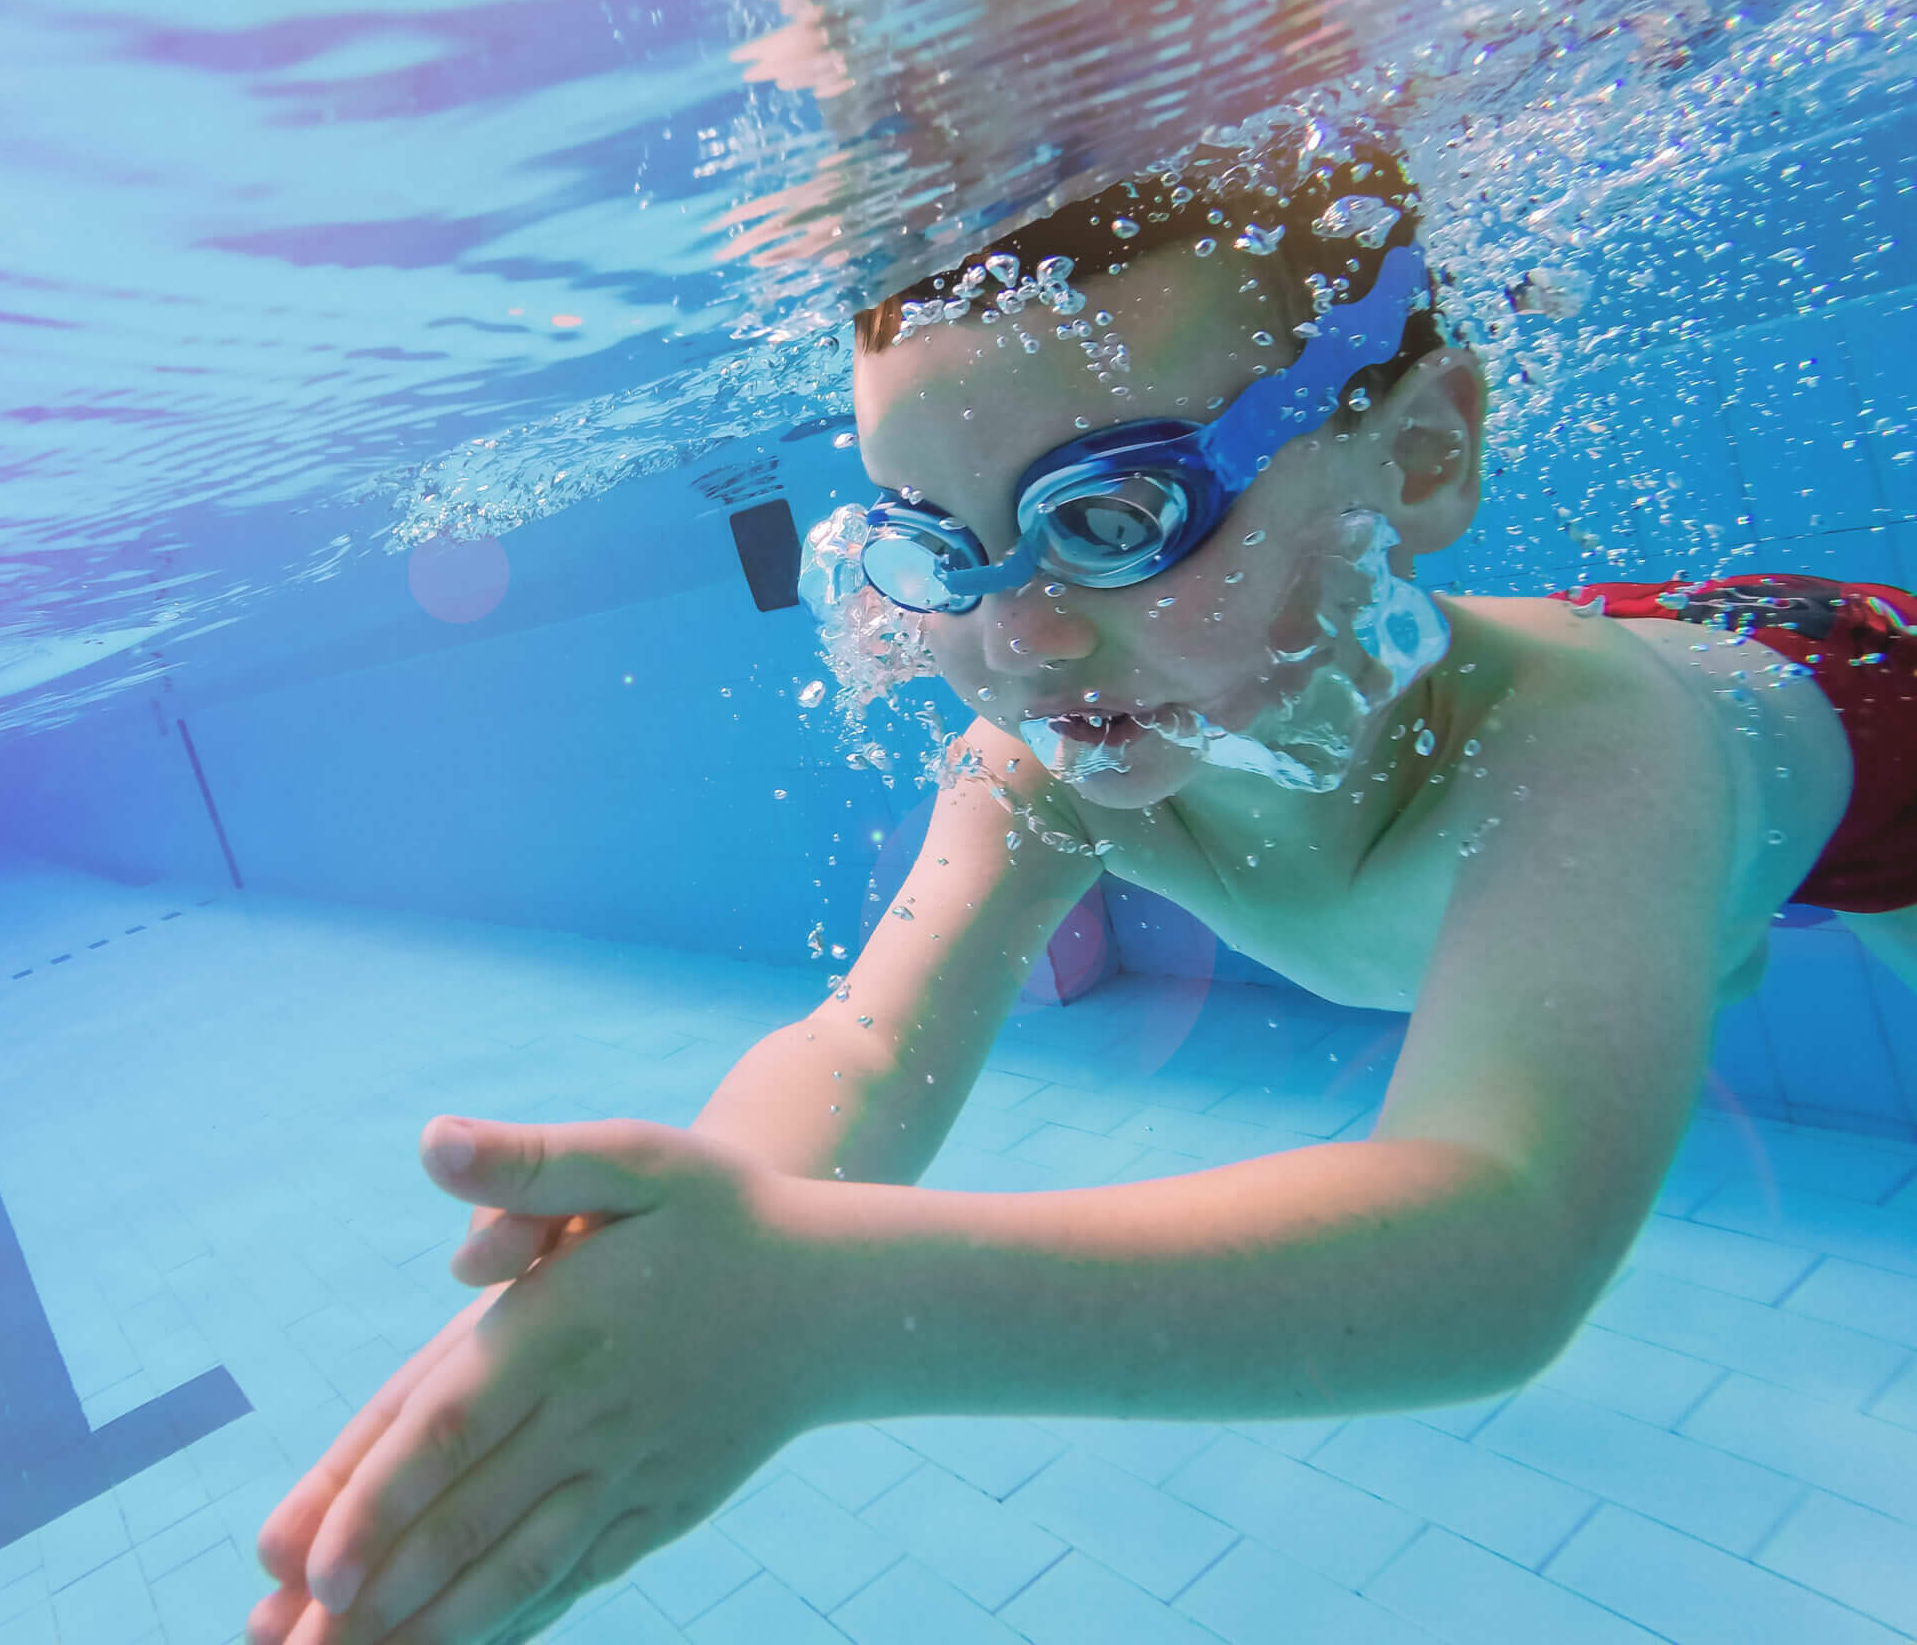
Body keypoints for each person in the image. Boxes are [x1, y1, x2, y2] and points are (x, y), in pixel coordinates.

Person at [245, 125, 1917, 1645]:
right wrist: (672, 1266)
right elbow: (862, 1050)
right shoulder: (1048, 768)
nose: (1019, 638)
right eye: (940, 548)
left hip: (1854, 715)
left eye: (1116, 513)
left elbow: (1504, 1231)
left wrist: (829, 1313)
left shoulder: (1592, 752)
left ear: (1417, 460)